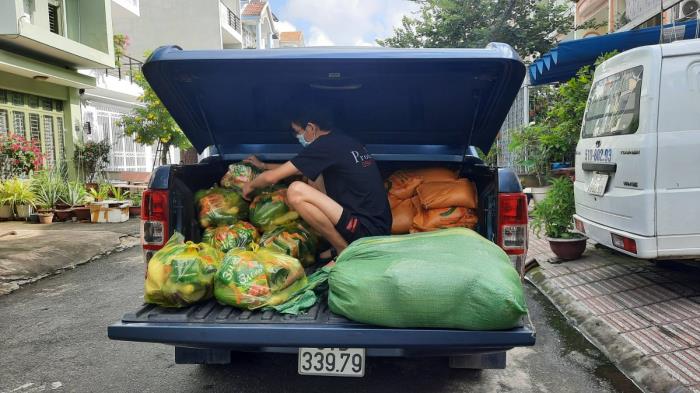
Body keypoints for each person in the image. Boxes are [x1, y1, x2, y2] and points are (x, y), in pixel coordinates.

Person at [241, 115, 391, 258]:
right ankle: (339, 243)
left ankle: (343, 250)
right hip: (379, 225)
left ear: (311, 128)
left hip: (366, 232)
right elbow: (299, 167)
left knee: (296, 191)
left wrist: (250, 186)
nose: (297, 137)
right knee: (314, 175)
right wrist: (264, 165)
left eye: (298, 132)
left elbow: (271, 178)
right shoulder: (342, 140)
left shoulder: (324, 146)